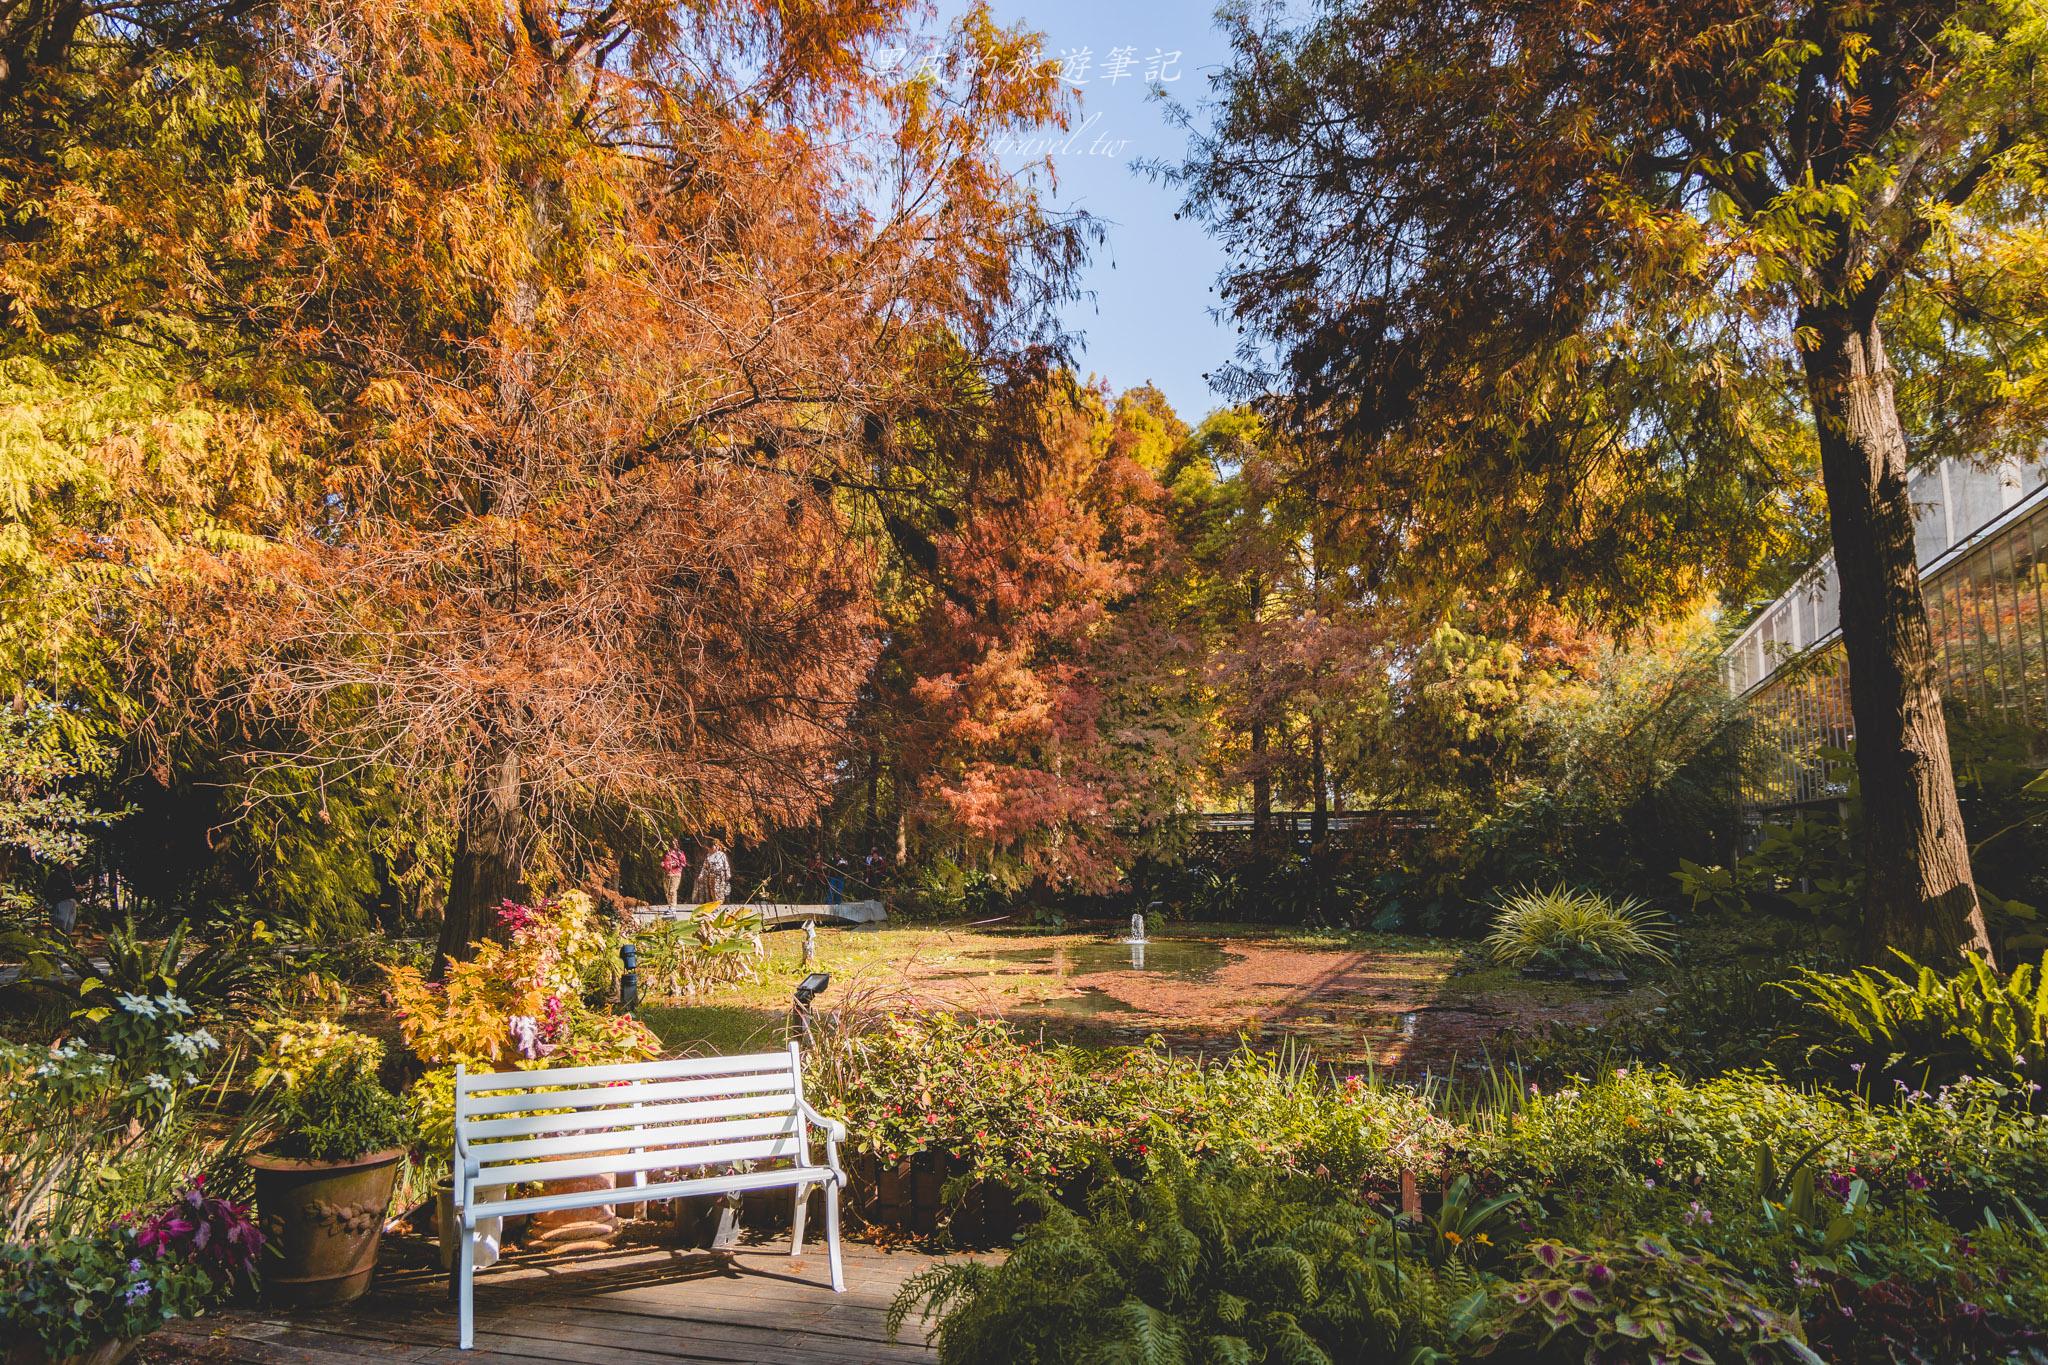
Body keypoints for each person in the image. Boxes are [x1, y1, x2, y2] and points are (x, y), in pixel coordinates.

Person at [690, 838, 732, 904]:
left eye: (716, 846)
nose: (714, 847)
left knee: (719, 890)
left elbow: (726, 865)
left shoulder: (722, 855)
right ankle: (716, 904)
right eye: (713, 846)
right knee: (712, 891)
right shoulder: (708, 855)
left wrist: (728, 873)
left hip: (720, 875)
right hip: (711, 875)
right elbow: (705, 866)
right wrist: (701, 875)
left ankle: (719, 903)